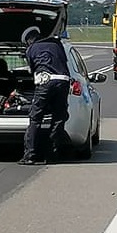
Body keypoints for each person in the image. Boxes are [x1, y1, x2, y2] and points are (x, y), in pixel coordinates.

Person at [18, 26, 72, 165]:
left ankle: (30, 155)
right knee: (59, 118)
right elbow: (63, 62)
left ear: (29, 40)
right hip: (63, 81)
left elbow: (33, 70)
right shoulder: (57, 44)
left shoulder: (31, 49)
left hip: (45, 82)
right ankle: (52, 154)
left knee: (35, 118)